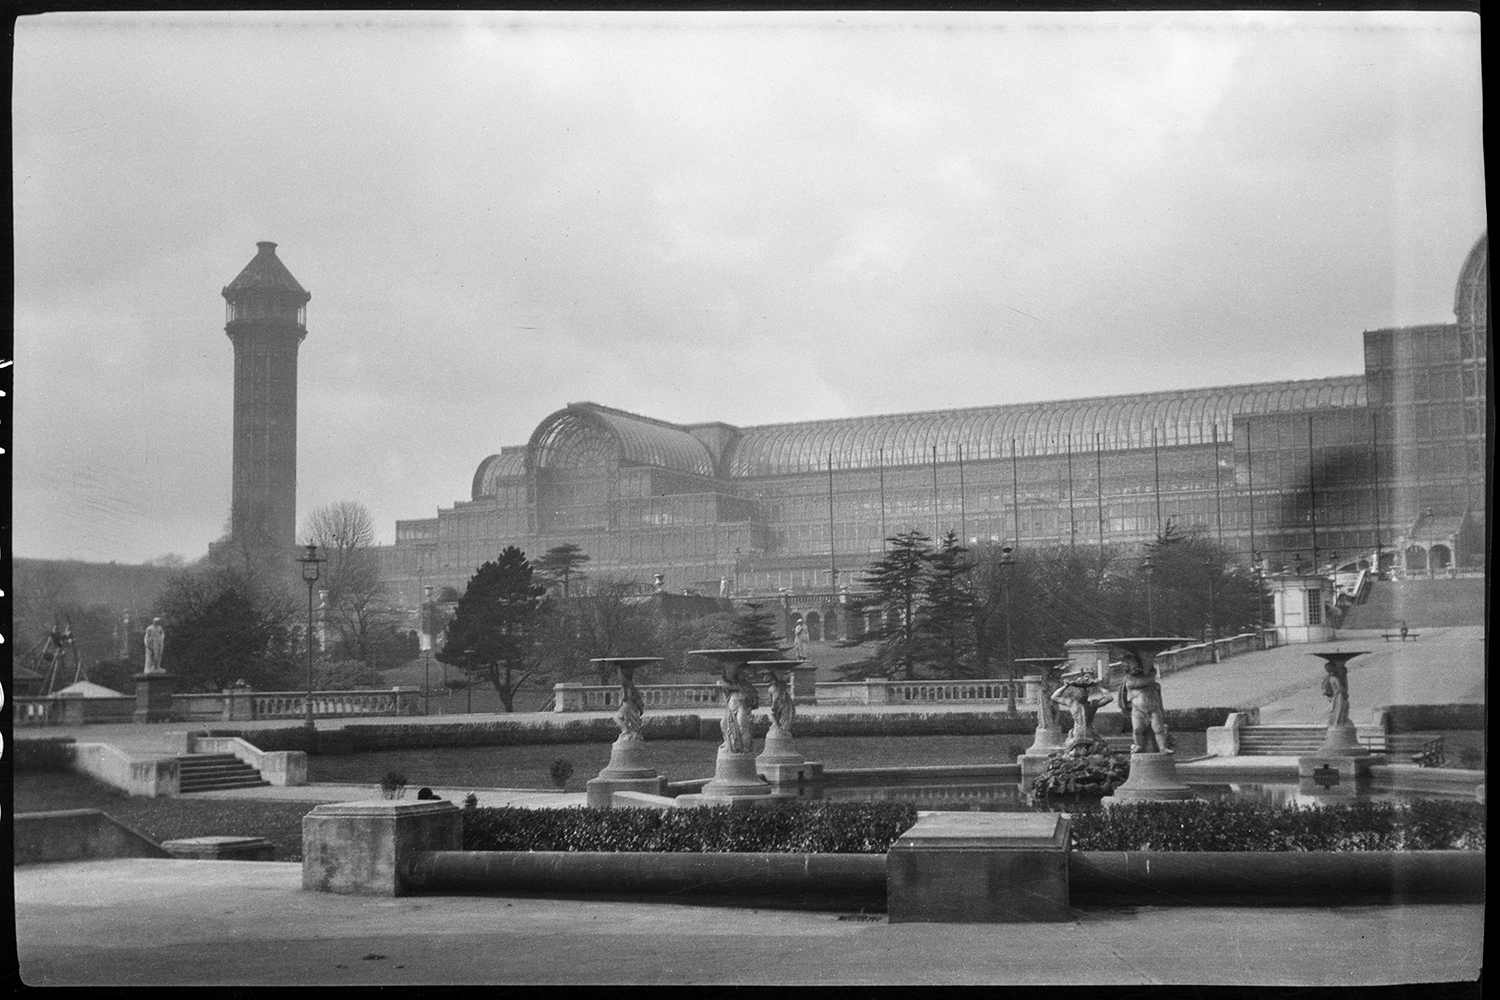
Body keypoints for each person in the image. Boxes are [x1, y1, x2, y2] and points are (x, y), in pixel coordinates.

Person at [1117, 651, 1170, 753]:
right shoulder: (1128, 679)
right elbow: (1139, 684)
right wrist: (1151, 673)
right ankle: (1139, 746)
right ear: (1127, 668)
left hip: (1153, 708)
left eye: (1137, 666)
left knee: (1159, 729)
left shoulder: (1148, 676)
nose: (1137, 668)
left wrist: (1150, 670)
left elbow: (1150, 681)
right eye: (1134, 667)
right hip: (1137, 710)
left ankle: (1163, 748)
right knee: (1137, 730)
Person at [1051, 672, 1113, 750]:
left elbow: (1054, 696)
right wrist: (1098, 686)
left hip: (1080, 732)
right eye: (1081, 691)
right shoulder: (1090, 704)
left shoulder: (1073, 704)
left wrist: (1066, 686)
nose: (1083, 693)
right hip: (1088, 732)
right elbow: (1109, 697)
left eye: (1084, 691)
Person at [717, 662, 758, 754]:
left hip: (741, 707)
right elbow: (726, 686)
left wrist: (722, 682)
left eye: (743, 674)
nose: (741, 676)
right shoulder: (733, 685)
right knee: (723, 724)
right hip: (731, 708)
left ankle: (746, 748)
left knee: (742, 727)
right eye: (740, 673)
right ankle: (728, 743)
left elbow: (732, 686)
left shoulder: (745, 685)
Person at [616, 667, 645, 739]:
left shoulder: (627, 686)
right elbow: (637, 700)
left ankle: (627, 730)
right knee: (619, 718)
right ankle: (627, 730)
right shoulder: (628, 687)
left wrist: (618, 668)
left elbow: (636, 699)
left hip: (629, 707)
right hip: (628, 707)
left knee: (619, 718)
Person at [1322, 660, 1351, 727]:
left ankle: (1336, 722)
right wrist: (1345, 692)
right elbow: (1339, 687)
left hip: (1335, 696)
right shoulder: (1334, 678)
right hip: (1339, 695)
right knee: (1339, 710)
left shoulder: (1328, 678)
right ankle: (1339, 723)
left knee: (1336, 710)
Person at [768, 668, 794, 734]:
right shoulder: (772, 688)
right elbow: (771, 699)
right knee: (775, 715)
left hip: (783, 704)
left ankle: (782, 729)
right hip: (779, 704)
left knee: (784, 717)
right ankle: (779, 728)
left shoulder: (780, 685)